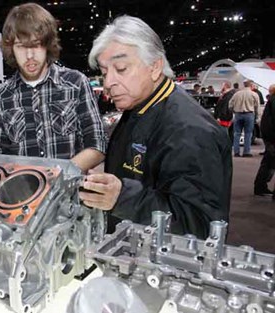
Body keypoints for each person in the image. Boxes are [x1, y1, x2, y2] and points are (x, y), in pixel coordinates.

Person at [80, 15, 232, 238]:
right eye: (104, 72)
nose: (108, 82)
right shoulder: (139, 107)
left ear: (155, 67)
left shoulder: (190, 131)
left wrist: (121, 197)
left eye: (121, 69)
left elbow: (199, 227)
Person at [0, 3, 106, 172]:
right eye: (21, 47)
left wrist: (56, 177)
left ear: (47, 44)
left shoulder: (75, 83)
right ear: (11, 49)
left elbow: (97, 144)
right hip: (23, 195)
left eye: (36, 45)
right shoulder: (3, 95)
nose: (29, 56)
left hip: (70, 194)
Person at [253, 84, 275, 198]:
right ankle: (260, 186)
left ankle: (260, 186)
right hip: (272, 137)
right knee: (268, 163)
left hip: (269, 137)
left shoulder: (270, 101)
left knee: (268, 162)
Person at [229, 80, 259, 157]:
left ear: (244, 85)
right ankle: (246, 152)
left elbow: (230, 105)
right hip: (249, 114)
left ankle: (236, 152)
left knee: (237, 133)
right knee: (248, 134)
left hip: (238, 114)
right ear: (251, 85)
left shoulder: (237, 94)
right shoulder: (254, 94)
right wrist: (256, 116)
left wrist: (234, 111)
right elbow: (257, 107)